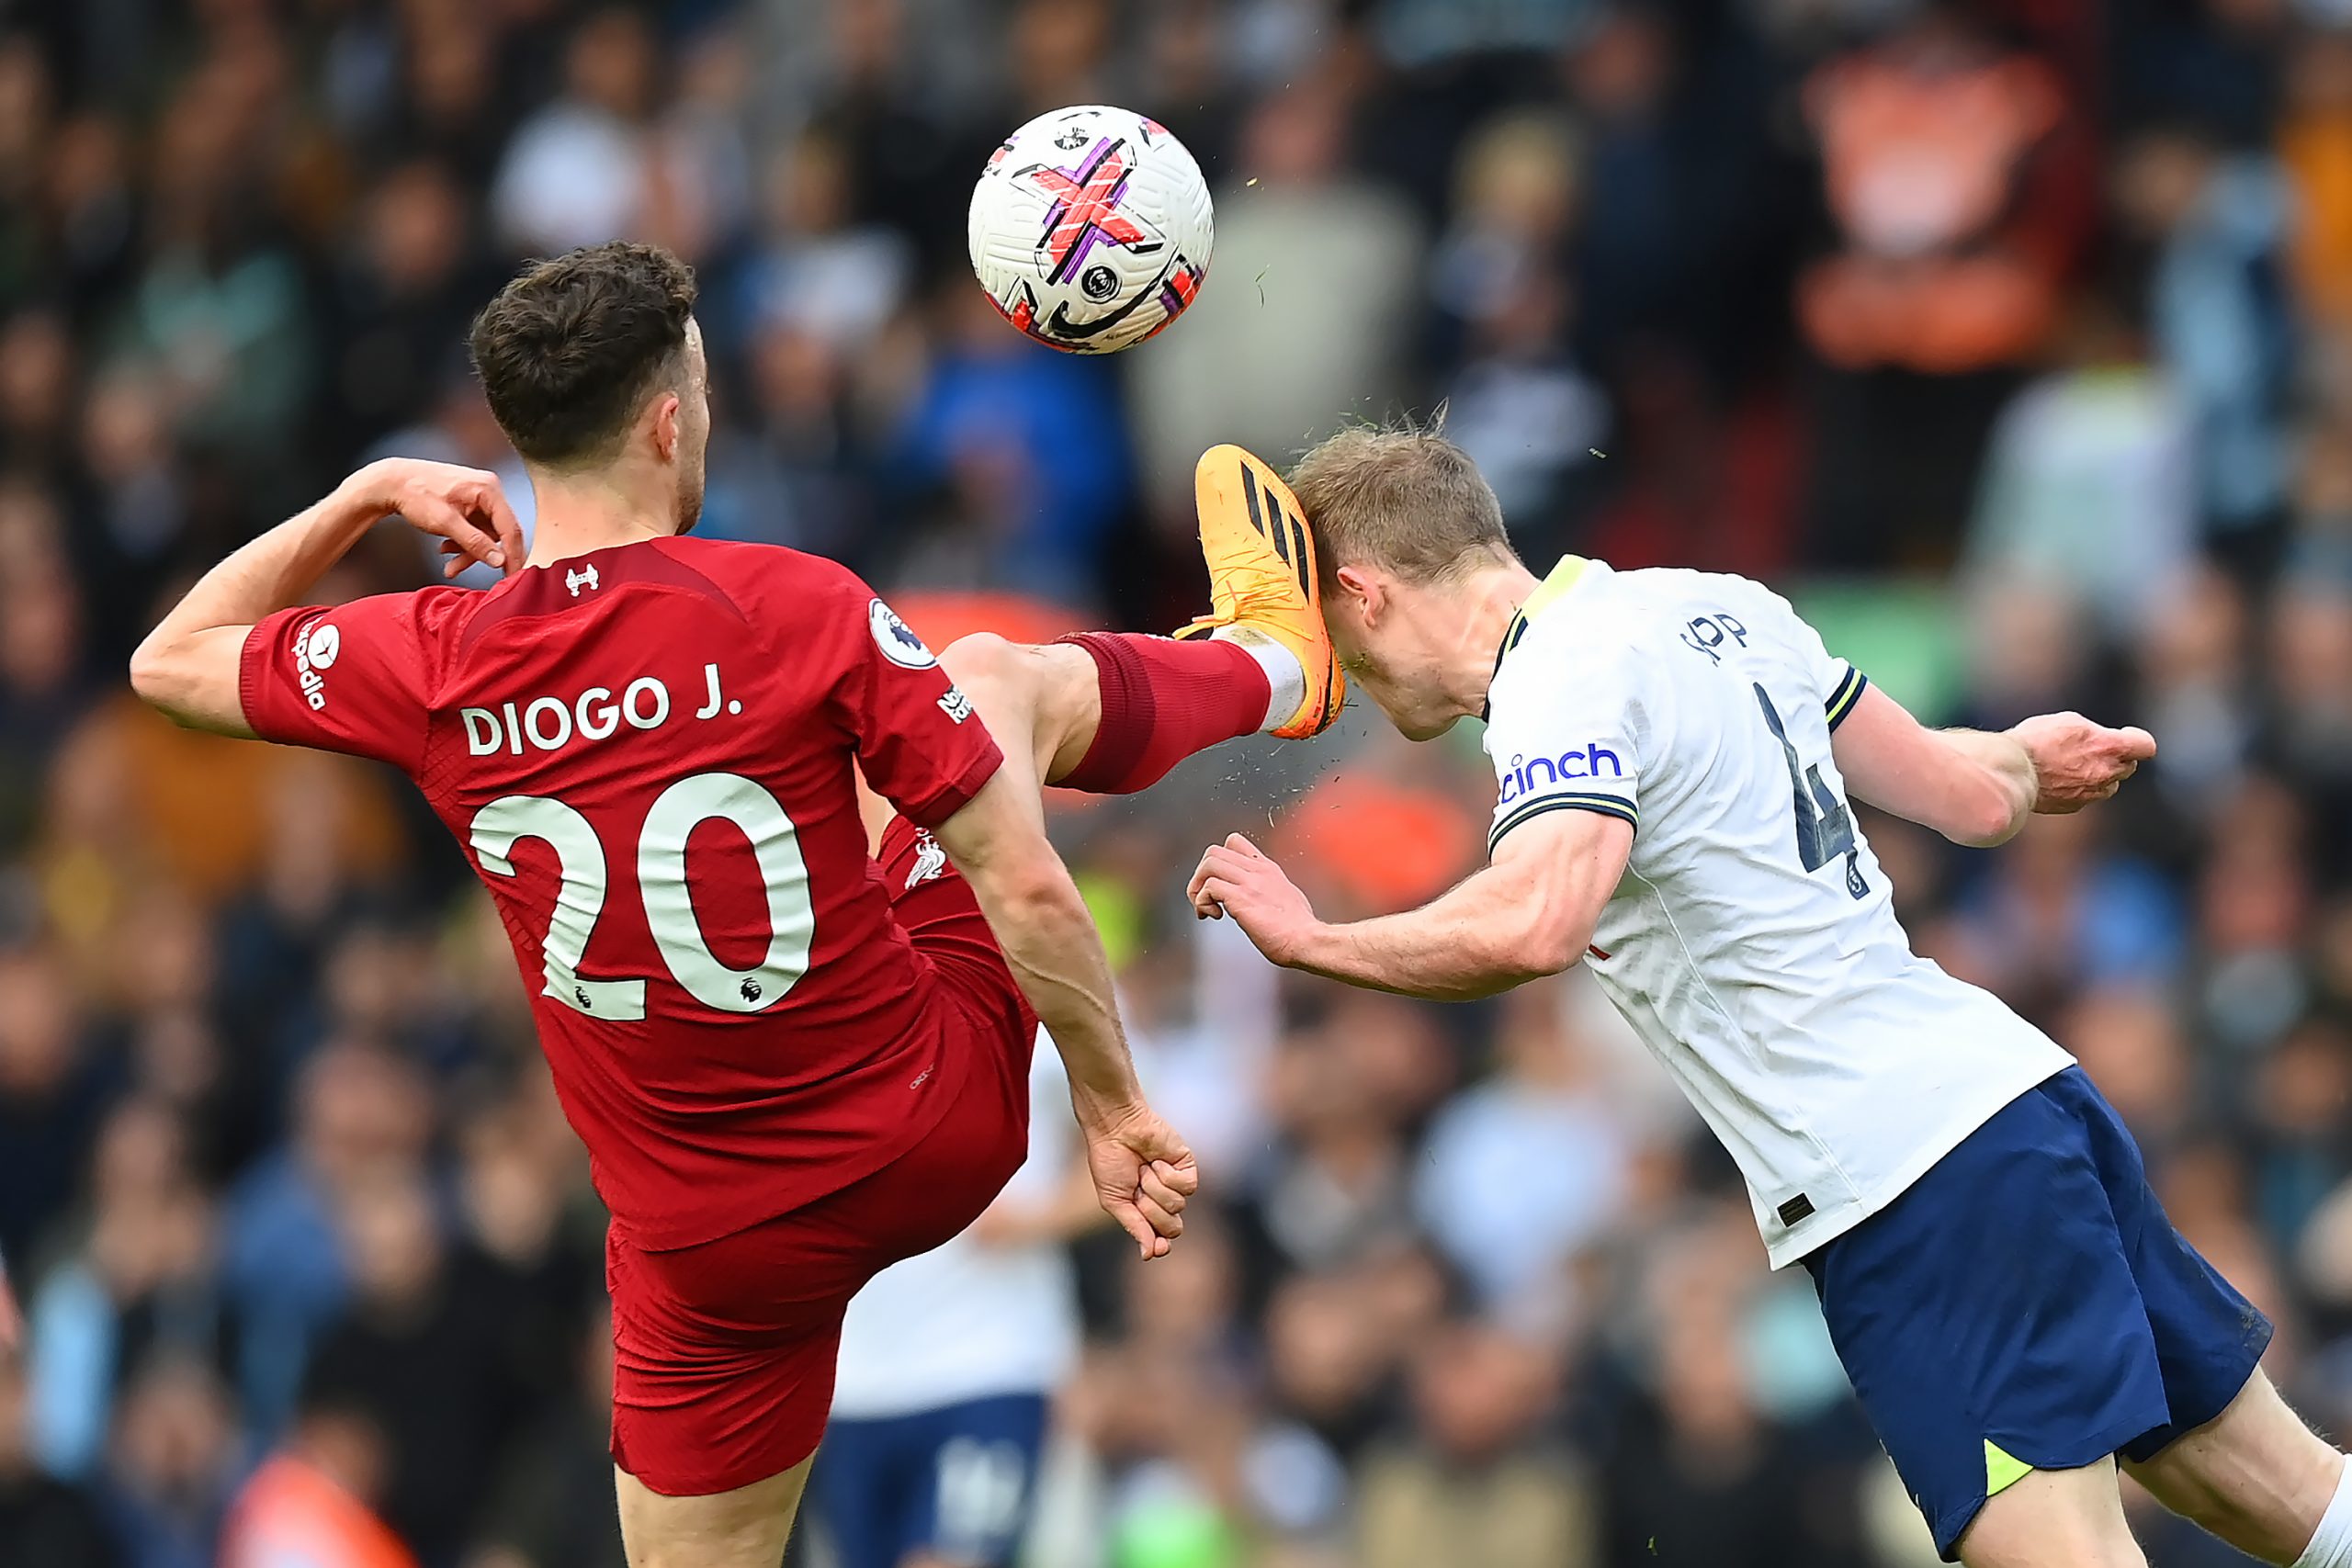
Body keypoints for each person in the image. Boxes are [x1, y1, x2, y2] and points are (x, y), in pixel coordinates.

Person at [127, 241, 1345, 1568]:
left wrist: (363, 496)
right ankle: (1274, 661)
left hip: (703, 1245)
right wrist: (1109, 1104)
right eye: (700, 389)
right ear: (668, 420)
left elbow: (167, 659)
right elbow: (1026, 883)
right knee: (991, 677)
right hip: (923, 1126)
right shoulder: (793, 604)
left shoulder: (433, 654)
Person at [1189, 419, 2350, 1568]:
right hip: (2019, 1102)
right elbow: (1974, 797)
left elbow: (1537, 922)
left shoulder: (1555, 681)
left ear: (1365, 590)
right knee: (2290, 1500)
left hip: (1913, 1180)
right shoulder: (1718, 605)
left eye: (1324, 627)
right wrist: (2021, 756)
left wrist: (1315, 939)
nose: (1331, 672)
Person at [808, 1043, 1092, 1568]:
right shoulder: (818, 993)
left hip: (988, 1365)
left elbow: (1137, 1136)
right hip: (850, 1385)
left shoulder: (1034, 988)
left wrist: (1038, 1220)